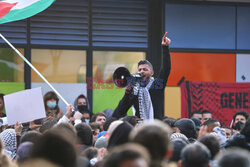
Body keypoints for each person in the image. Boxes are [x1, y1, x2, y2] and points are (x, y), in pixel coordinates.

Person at [112, 32, 171, 120]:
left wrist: (165, 48)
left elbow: (166, 69)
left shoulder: (157, 85)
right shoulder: (134, 91)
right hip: (140, 130)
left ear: (152, 73)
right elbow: (119, 113)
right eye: (140, 70)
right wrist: (127, 93)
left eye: (145, 69)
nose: (142, 71)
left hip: (157, 128)